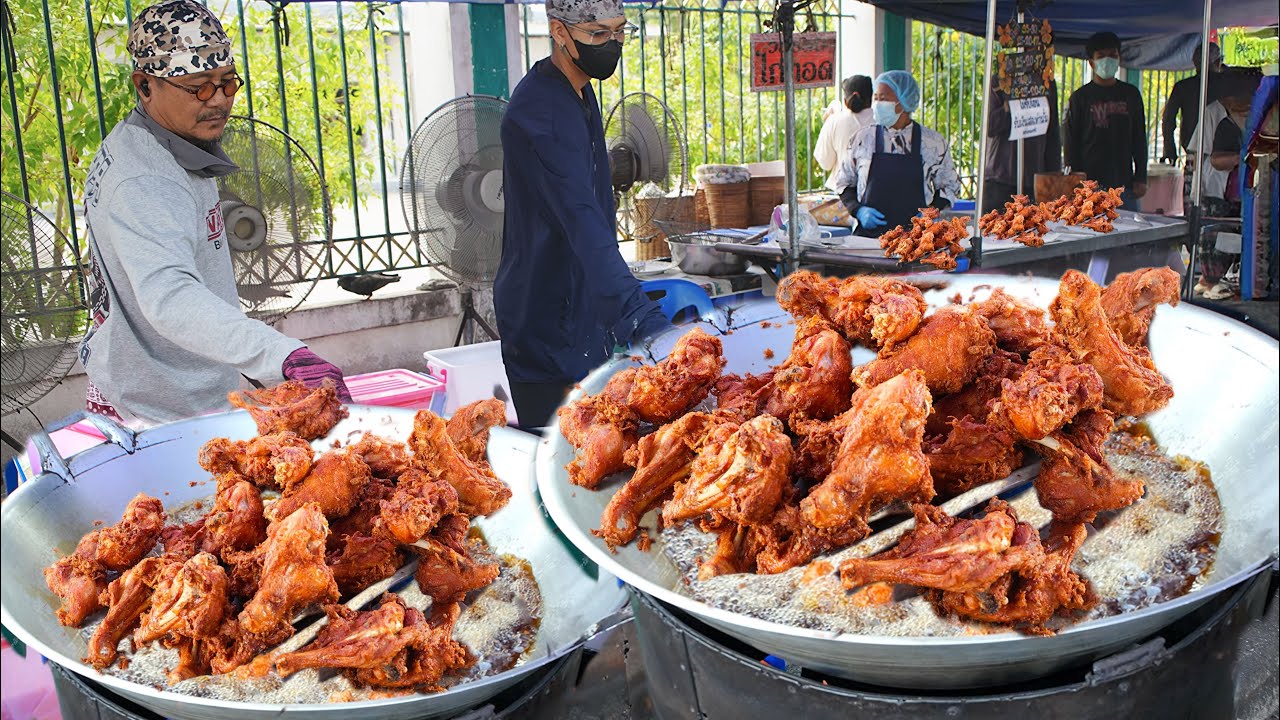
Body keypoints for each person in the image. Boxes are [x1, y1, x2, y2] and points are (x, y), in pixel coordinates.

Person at [78, 0, 349, 427]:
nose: (219, 100)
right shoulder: (143, 178)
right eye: (199, 87)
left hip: (192, 386)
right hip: (152, 408)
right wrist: (281, 353)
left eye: (227, 83)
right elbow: (169, 296)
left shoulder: (174, 141)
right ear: (145, 84)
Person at [495, 0, 670, 429]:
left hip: (581, 314)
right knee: (569, 470)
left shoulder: (578, 89)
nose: (611, 44)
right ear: (559, 32)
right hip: (546, 326)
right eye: (597, 34)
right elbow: (581, 216)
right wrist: (639, 316)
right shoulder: (541, 112)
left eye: (619, 32)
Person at [832, 70, 962, 236]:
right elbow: (844, 183)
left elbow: (949, 186)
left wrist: (930, 213)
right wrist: (858, 210)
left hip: (917, 239)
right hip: (868, 239)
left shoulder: (932, 142)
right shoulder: (863, 139)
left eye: (884, 99)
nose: (878, 104)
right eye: (876, 98)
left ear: (903, 102)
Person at [1063, 32, 1148, 207]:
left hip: (1125, 184)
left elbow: (1139, 138)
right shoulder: (1080, 98)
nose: (1107, 60)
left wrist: (1141, 177)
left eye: (1112, 55)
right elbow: (1071, 142)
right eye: (1101, 56)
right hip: (1089, 185)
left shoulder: (1131, 95)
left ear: (1119, 59)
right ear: (1091, 63)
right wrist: (1075, 182)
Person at [982, 80, 1062, 214]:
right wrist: (1009, 107)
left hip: (1033, 177)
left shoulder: (1046, 82)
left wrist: (1053, 175)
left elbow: (1052, 132)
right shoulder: (999, 81)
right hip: (1000, 177)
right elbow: (989, 126)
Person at [1161, 42, 1223, 164]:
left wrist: (1170, 149)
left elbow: (1168, 120)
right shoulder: (1226, 86)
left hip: (1192, 151)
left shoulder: (1183, 87)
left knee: (1193, 182)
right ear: (1218, 62)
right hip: (1222, 154)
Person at [814, 75, 873, 192]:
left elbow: (825, 163)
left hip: (842, 195)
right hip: (874, 193)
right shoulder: (884, 122)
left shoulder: (834, 121)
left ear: (845, 101)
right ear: (871, 98)